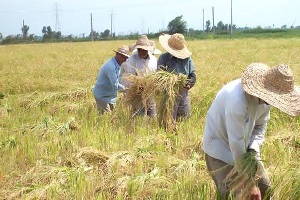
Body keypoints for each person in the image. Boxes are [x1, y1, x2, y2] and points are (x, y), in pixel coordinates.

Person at [202, 63, 300, 199]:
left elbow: (260, 127)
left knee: (266, 188)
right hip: (220, 150)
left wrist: (253, 150)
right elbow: (236, 143)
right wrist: (250, 184)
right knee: (235, 195)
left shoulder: (267, 101)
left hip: (245, 150)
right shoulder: (237, 100)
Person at [157, 33, 196, 120]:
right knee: (168, 121)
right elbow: (159, 76)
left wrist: (189, 83)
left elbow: (192, 75)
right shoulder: (163, 58)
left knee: (184, 120)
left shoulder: (187, 59)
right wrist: (171, 81)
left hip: (184, 94)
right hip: (169, 95)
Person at [120, 35, 157, 117]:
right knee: (139, 116)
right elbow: (129, 78)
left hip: (150, 92)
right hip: (137, 94)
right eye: (140, 50)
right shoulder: (131, 60)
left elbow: (156, 74)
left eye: (144, 50)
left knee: (152, 115)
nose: (142, 52)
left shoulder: (153, 60)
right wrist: (138, 86)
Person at [93, 45, 130, 114]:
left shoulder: (118, 64)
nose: (124, 59)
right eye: (123, 56)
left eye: (126, 57)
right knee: (106, 117)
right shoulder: (111, 67)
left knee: (111, 116)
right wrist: (128, 89)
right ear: (117, 55)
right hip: (102, 96)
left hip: (111, 95)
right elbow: (115, 85)